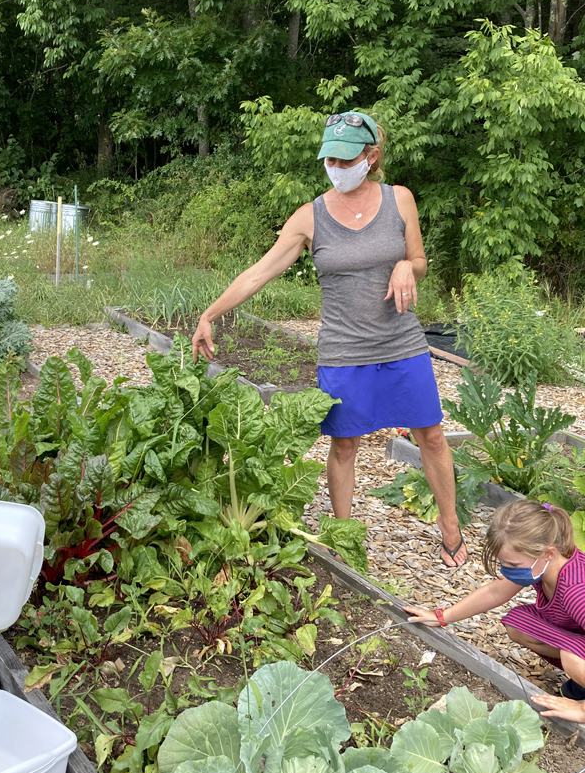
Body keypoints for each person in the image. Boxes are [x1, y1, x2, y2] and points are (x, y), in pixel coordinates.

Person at [192, 110, 465, 567]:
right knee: (344, 444)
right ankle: (344, 535)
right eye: (330, 160)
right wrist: (210, 313)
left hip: (401, 342)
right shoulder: (310, 217)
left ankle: (451, 527)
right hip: (342, 350)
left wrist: (405, 266)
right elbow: (261, 271)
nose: (336, 169)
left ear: (371, 156)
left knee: (432, 437)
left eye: (345, 159)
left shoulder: (400, 201)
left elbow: (418, 260)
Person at [405, 500, 585, 722]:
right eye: (503, 563)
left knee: (572, 656)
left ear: (547, 553)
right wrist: (442, 616)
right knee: (518, 624)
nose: (507, 571)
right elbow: (495, 592)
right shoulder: (546, 564)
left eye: (513, 565)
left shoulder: (576, 592)